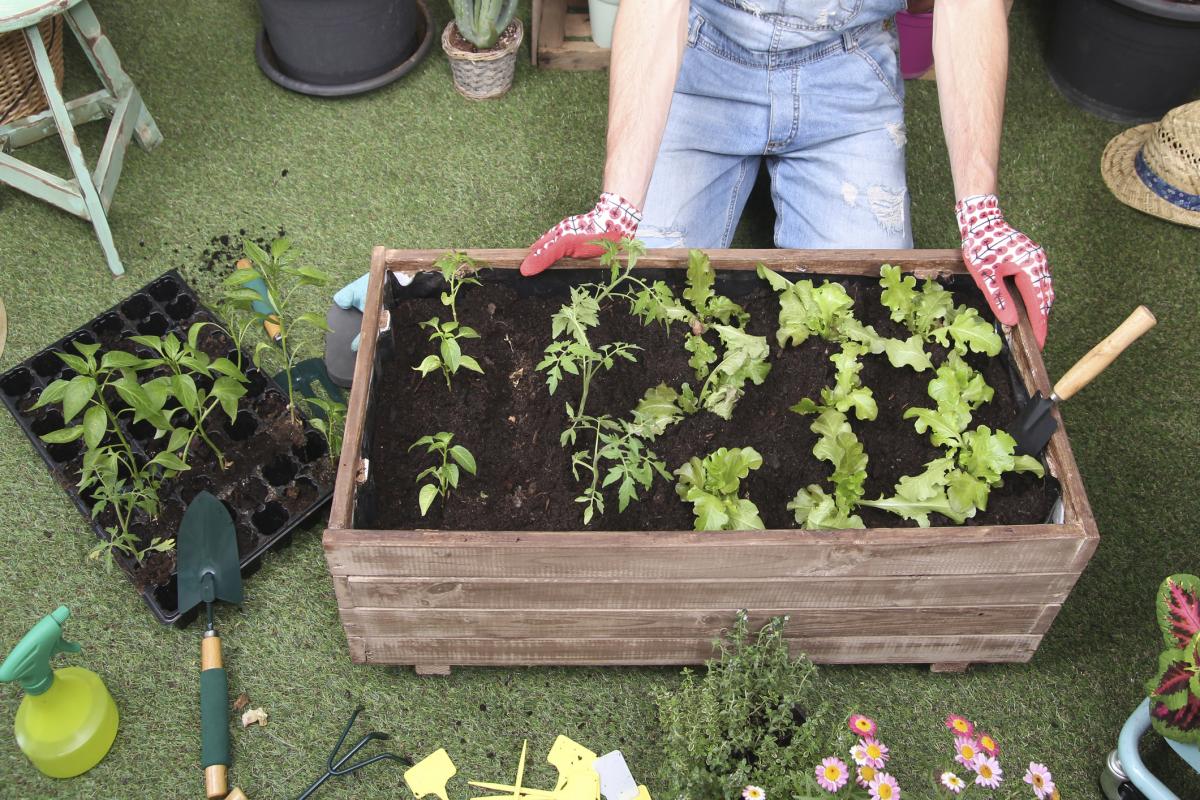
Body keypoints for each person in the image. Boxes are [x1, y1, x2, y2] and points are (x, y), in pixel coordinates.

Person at [518, 0, 1054, 348]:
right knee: (638, 318)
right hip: (703, 56)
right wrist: (619, 201)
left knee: (861, 331)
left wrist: (981, 209)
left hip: (847, 67)